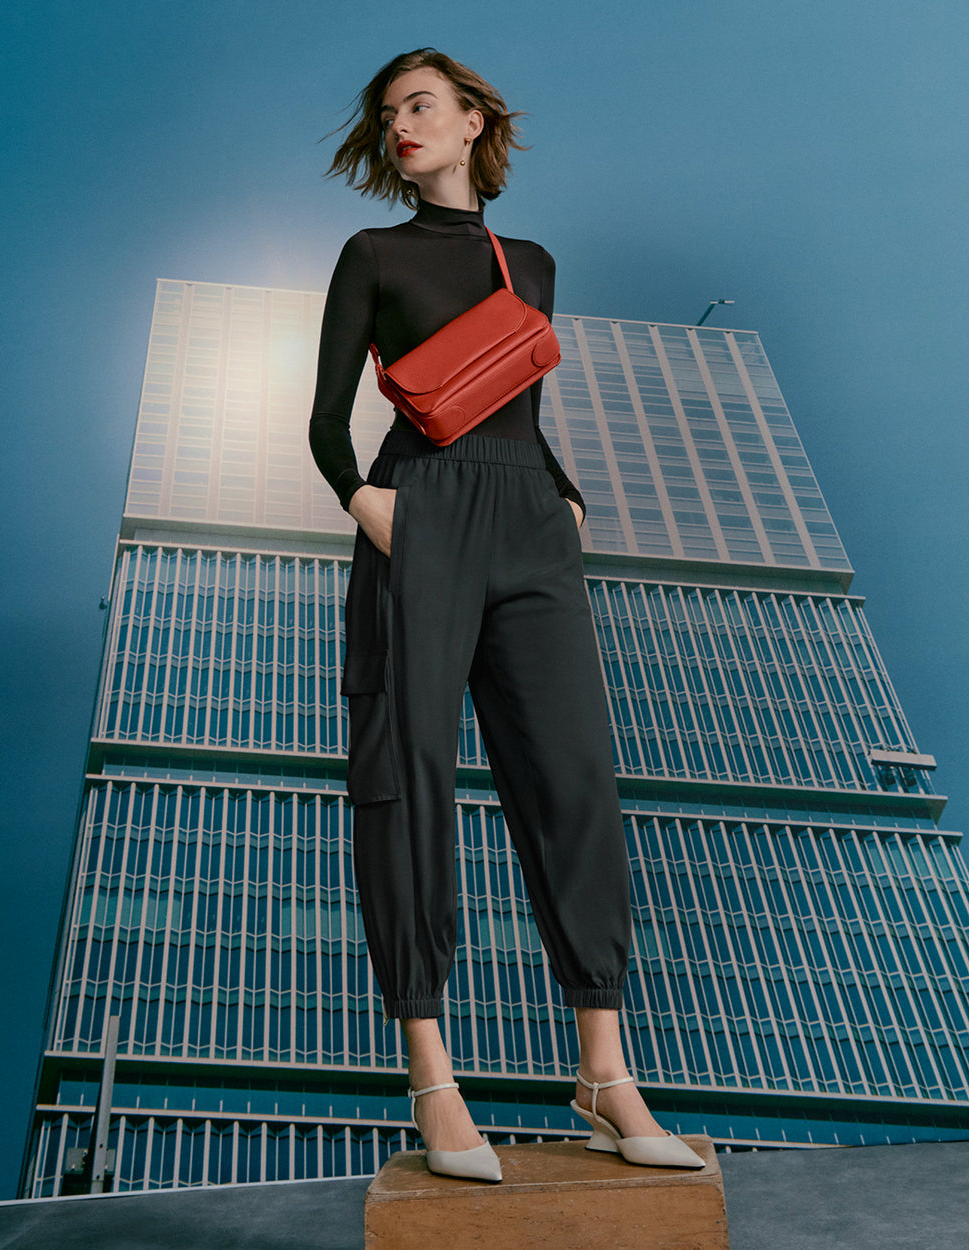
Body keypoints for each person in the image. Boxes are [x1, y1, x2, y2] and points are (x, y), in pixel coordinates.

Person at [310, 47, 704, 1181]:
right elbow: (326, 422)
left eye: (420, 106)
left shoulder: (526, 259)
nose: (401, 127)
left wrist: (565, 499)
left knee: (574, 775)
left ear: (474, 118)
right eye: (388, 115)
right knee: (410, 776)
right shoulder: (373, 253)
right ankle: (433, 1075)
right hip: (419, 509)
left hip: (529, 514)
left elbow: (519, 408)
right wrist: (368, 505)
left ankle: (602, 1069)